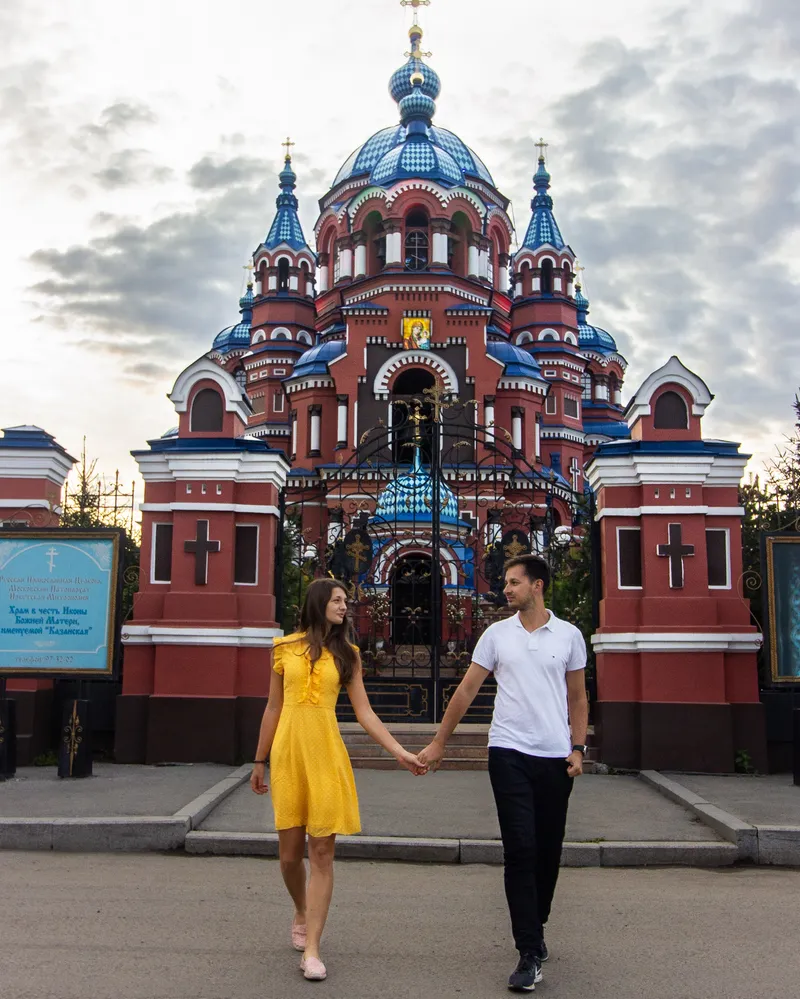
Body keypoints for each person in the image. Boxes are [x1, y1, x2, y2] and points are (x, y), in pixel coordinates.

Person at [419, 554, 588, 993]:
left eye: (514, 583)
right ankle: (528, 951)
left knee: (548, 851)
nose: (506, 589)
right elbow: (468, 689)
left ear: (538, 586)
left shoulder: (569, 635)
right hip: (508, 751)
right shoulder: (496, 635)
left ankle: (537, 924)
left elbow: (578, 698)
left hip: (554, 756)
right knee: (520, 848)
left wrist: (578, 748)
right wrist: (440, 740)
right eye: (506, 583)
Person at [250, 578, 426, 982]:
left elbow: (365, 713)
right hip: (289, 755)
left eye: (346, 601)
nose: (345, 606)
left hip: (327, 756)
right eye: (337, 600)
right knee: (290, 855)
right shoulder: (283, 649)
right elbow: (273, 708)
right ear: (318, 603)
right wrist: (259, 761)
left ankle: (312, 948)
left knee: (323, 853)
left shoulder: (349, 655)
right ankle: (300, 908)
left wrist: (399, 753)